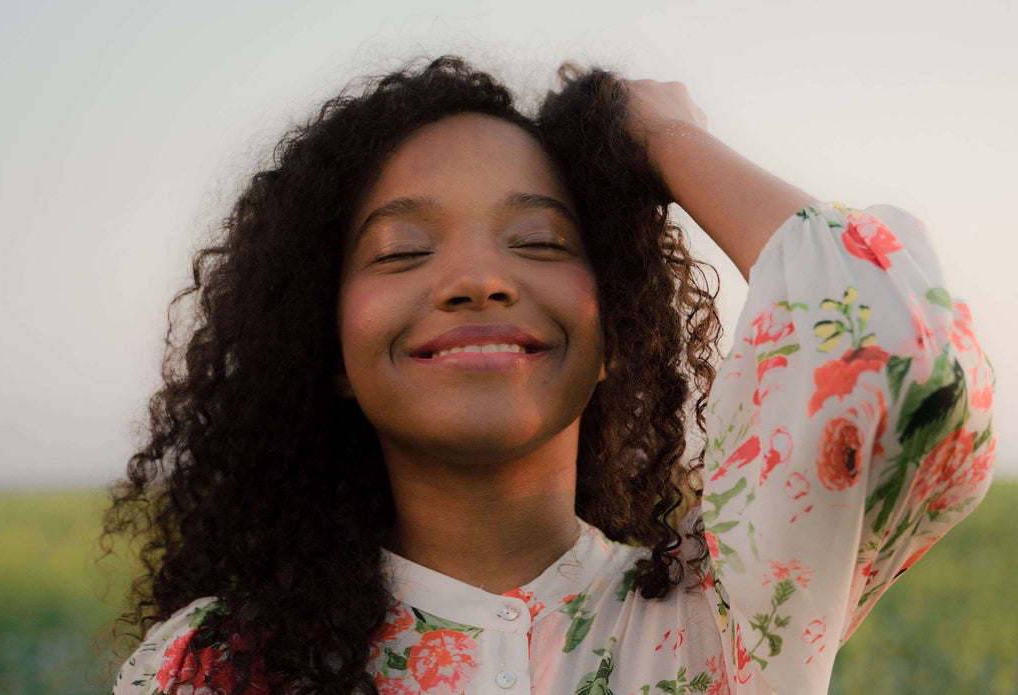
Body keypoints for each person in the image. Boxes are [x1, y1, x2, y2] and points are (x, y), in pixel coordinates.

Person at [105, 56, 995, 695]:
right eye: (403, 250)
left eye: (537, 243)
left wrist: (664, 137)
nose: (478, 279)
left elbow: (904, 352)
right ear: (327, 347)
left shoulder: (725, 613)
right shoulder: (210, 667)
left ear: (617, 330)